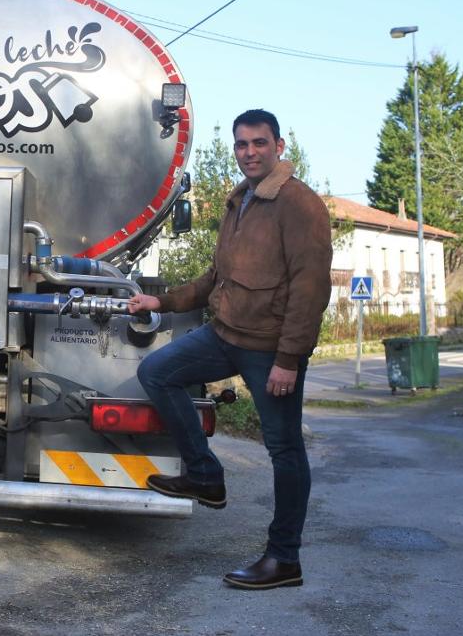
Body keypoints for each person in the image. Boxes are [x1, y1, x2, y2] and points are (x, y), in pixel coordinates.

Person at [129, 108, 332, 590]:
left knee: (284, 450)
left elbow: (310, 289)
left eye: (259, 143)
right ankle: (205, 475)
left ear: (280, 147)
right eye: (242, 145)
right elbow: (215, 278)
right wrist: (162, 300)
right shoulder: (239, 201)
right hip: (225, 335)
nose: (249, 152)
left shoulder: (300, 205)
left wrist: (288, 359)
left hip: (269, 350)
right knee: (158, 371)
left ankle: (284, 559)